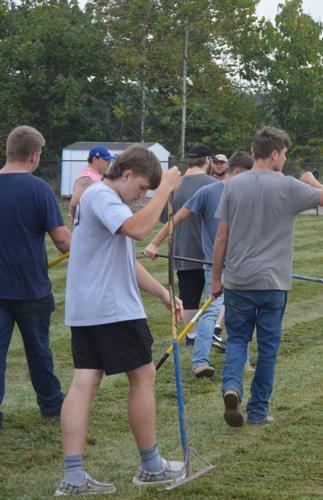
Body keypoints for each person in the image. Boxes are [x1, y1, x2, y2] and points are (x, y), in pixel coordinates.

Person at [56, 145, 185, 495]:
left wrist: (160, 292)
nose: (142, 196)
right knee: (143, 375)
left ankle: (73, 477)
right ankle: (151, 466)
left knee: (85, 382)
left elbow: (123, 255)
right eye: (142, 188)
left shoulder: (99, 198)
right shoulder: (103, 197)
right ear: (126, 174)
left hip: (90, 309)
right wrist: (164, 191)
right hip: (112, 309)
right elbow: (138, 231)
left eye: (147, 191)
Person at [212, 126, 323, 427]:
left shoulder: (232, 185)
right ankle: (257, 411)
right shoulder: (290, 186)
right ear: (274, 153)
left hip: (239, 280)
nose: (285, 160)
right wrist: (312, 180)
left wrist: (217, 279)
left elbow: (221, 238)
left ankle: (232, 385)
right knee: (268, 347)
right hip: (273, 283)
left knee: (238, 339)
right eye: (284, 155)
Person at [145, 151, 254, 378]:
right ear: (237, 172)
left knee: (240, 313)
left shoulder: (250, 194)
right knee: (212, 310)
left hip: (242, 265)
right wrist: (154, 244)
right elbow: (177, 218)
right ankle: (200, 363)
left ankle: (243, 360)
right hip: (213, 266)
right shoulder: (209, 191)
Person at [0, 125, 69, 428]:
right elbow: (63, 242)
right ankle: (52, 406)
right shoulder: (40, 190)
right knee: (39, 351)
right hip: (32, 289)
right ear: (33, 156)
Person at [164, 144, 218, 345]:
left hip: (182, 250)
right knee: (216, 298)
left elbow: (165, 218)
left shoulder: (174, 185)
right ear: (207, 160)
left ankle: (191, 337)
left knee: (189, 296)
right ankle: (212, 333)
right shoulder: (214, 184)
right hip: (210, 251)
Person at [69, 145, 115, 223]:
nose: (108, 164)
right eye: (106, 160)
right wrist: (75, 220)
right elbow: (74, 204)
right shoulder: (87, 178)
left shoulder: (98, 175)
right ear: (95, 159)